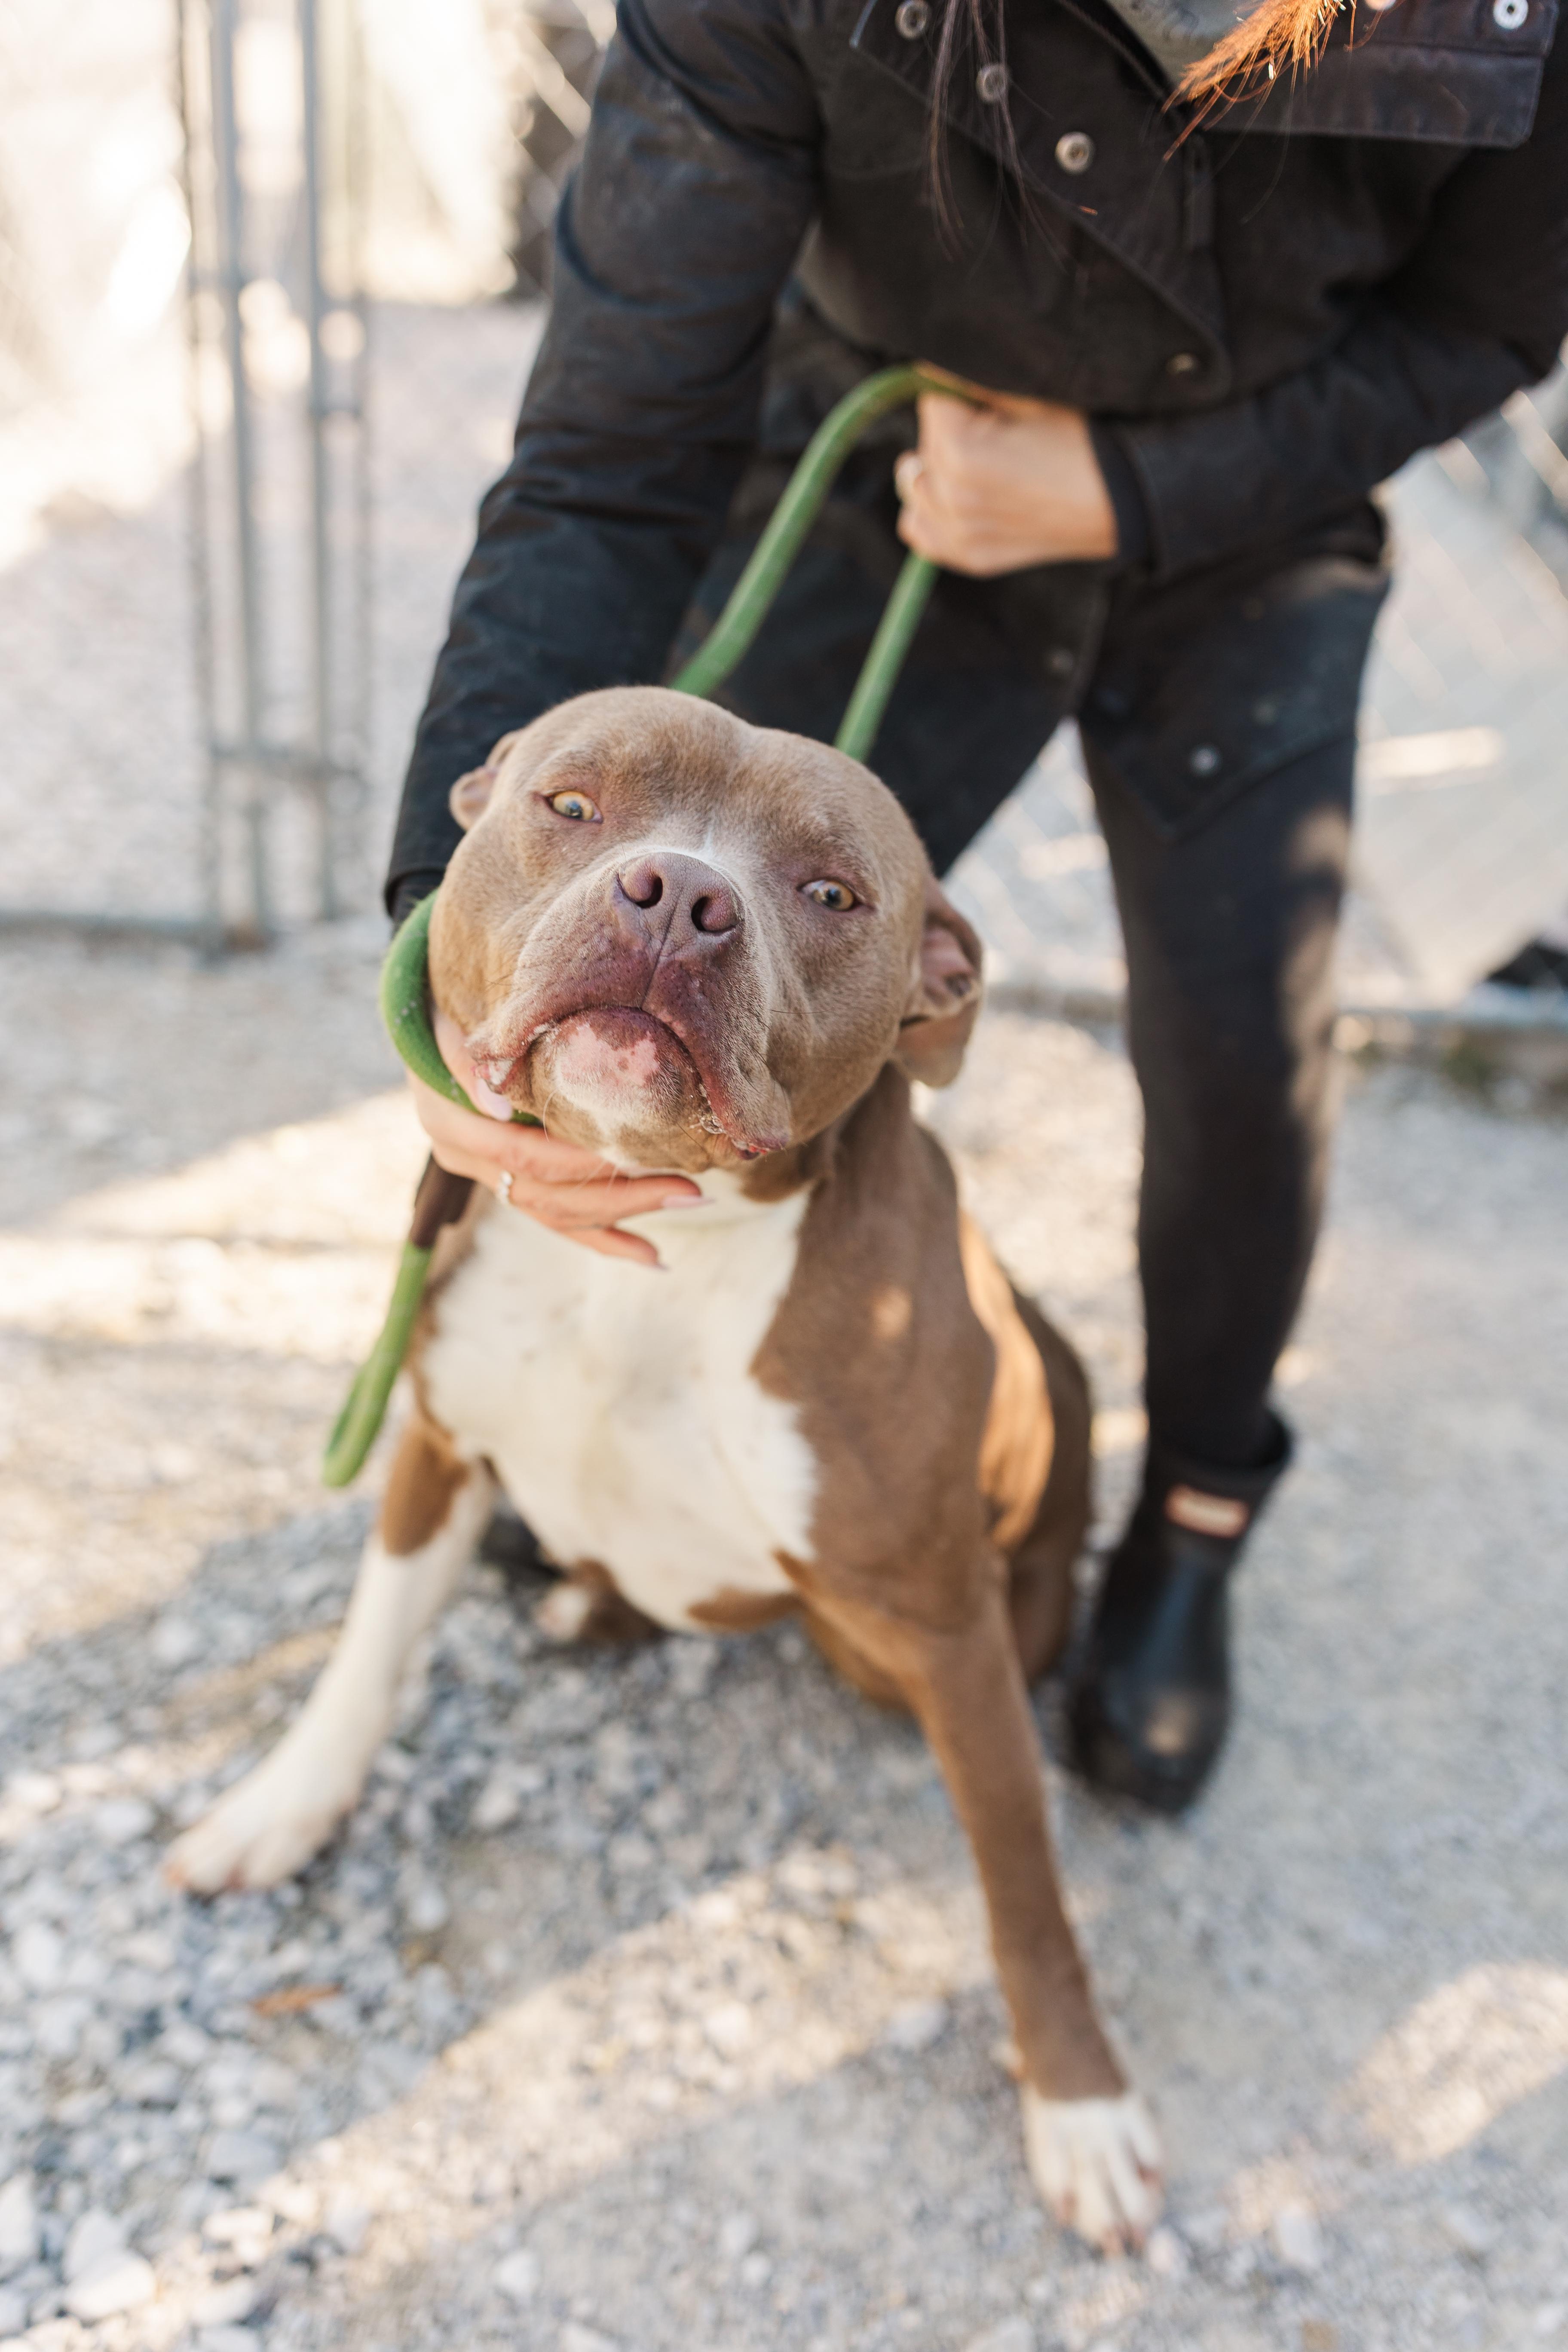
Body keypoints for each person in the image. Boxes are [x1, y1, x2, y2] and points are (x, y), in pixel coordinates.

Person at [386, 0, 1568, 1811]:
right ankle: (590, 1437)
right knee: (640, 972)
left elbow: (1488, 319)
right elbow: (602, 463)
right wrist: (428, 959)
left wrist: (1127, 490)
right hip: (892, 474)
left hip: (1246, 517)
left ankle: (1190, 1518)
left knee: (1247, 1047)